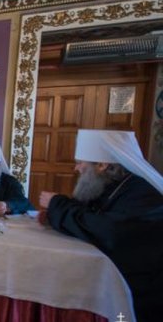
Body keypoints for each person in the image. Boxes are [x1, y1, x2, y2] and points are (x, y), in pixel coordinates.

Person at [38, 129, 163, 322]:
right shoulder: (109, 186)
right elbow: (87, 212)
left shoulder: (143, 193)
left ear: (102, 165)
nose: (76, 169)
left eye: (80, 163)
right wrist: (55, 211)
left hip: (142, 293)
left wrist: (57, 206)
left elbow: (109, 230)